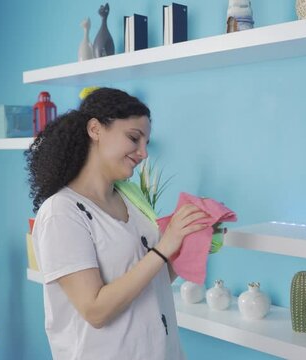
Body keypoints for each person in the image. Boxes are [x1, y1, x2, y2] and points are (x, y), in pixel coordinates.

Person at [26, 88, 207, 359]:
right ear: (95, 129)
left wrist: (190, 240)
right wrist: (163, 248)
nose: (143, 152)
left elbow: (154, 280)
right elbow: (95, 310)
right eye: (134, 138)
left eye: (146, 142)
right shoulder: (61, 212)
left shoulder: (130, 199)